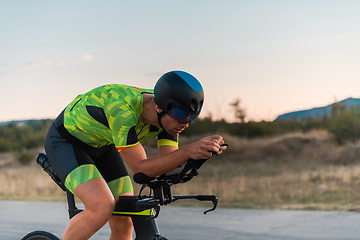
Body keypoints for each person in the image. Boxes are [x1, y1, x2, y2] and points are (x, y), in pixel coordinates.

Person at [44, 70, 227, 240]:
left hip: (104, 145)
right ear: (159, 107)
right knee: (101, 207)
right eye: (181, 114)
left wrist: (199, 154)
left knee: (125, 219)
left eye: (191, 117)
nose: (185, 123)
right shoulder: (123, 111)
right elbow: (141, 167)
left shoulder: (170, 117)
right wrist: (188, 150)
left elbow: (169, 164)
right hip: (66, 142)